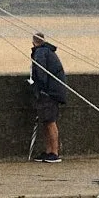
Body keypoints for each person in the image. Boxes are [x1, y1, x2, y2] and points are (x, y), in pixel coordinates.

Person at [29, 31, 68, 162]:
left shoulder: (40, 53)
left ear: (33, 42)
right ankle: (48, 151)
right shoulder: (47, 51)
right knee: (46, 121)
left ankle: (54, 152)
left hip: (50, 92)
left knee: (50, 122)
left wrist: (40, 89)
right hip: (52, 91)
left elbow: (41, 73)